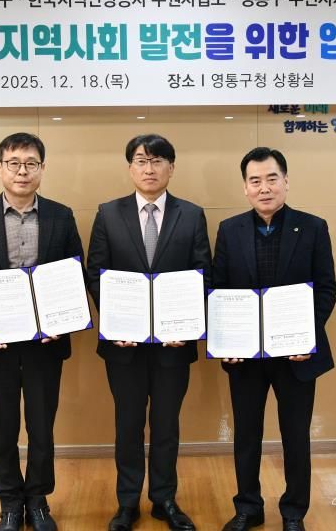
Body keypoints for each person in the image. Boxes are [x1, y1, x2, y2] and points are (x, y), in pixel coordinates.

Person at [0, 133, 84, 531]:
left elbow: (74, 273)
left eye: (30, 163)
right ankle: (10, 503)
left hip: (46, 343)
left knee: (42, 427)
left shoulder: (61, 216)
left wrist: (62, 319)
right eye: (14, 163)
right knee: (3, 427)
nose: (22, 171)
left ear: (42, 168)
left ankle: (38, 501)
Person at [87, 134, 212, 531]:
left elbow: (203, 274)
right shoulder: (109, 213)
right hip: (123, 345)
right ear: (130, 168)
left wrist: (188, 324)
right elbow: (96, 274)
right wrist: (114, 323)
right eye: (141, 160)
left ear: (171, 168)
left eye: (158, 161)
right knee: (127, 425)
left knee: (166, 425)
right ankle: (127, 503)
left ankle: (164, 499)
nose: (149, 168)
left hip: (173, 345)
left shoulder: (191, 214)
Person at [213, 147, 336, 531]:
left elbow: (326, 289)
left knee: (296, 436)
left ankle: (293, 512)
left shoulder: (313, 227)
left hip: (296, 356)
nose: (264, 188)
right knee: (246, 435)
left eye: (271, 179)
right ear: (245, 187)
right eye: (255, 181)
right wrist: (225, 342)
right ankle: (248, 507)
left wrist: (305, 338)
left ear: (285, 181)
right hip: (246, 357)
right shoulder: (230, 230)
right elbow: (218, 290)